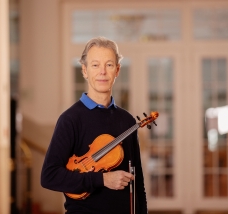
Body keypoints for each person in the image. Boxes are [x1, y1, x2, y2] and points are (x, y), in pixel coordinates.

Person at [41, 36, 148, 214]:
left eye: (109, 65)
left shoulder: (127, 121)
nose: (102, 72)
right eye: (95, 65)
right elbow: (49, 176)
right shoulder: (70, 119)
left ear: (118, 70)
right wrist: (102, 179)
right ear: (84, 70)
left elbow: (139, 183)